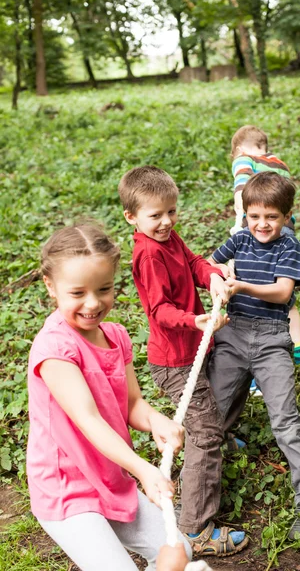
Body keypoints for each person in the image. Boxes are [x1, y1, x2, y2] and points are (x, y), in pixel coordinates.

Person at [27, 224, 192, 571]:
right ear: (50, 287)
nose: (93, 303)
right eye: (78, 293)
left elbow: (132, 403)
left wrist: (156, 420)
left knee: (179, 549)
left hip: (109, 476)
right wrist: (143, 470)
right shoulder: (55, 348)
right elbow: (89, 420)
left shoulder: (115, 336)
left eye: (104, 289)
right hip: (67, 488)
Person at [118, 165, 249, 557]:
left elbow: (193, 261)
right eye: (155, 216)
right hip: (174, 360)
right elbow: (159, 311)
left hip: (197, 344)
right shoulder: (148, 255)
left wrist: (210, 276)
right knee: (203, 435)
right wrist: (194, 319)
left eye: (171, 212)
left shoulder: (170, 238)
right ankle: (194, 529)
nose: (165, 222)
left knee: (236, 371)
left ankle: (216, 430)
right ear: (132, 217)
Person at [208, 172, 300, 540]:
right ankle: (197, 501)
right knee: (211, 415)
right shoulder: (240, 237)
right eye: (254, 216)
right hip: (232, 332)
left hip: (272, 338)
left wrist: (241, 284)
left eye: (271, 217)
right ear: (244, 214)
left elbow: (281, 292)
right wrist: (219, 273)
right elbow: (210, 265)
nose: (262, 224)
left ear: (287, 216)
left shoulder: (288, 245)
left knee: (285, 421)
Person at [229, 124, 300, 370]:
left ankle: (258, 359)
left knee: (258, 294)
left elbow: (242, 181)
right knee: (286, 296)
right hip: (285, 230)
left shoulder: (243, 159)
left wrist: (241, 209)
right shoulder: (280, 165)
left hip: (260, 234)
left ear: (237, 149)